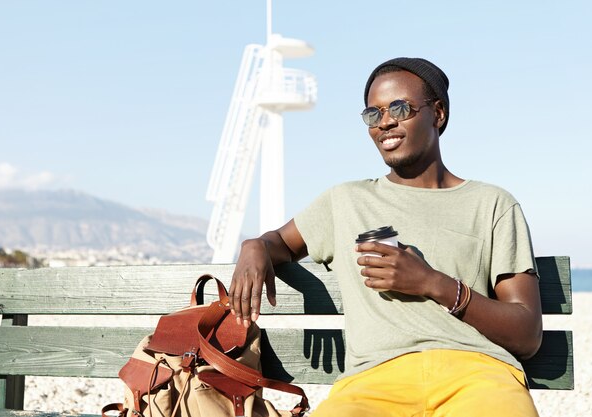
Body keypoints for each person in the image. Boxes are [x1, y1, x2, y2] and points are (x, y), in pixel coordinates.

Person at [228, 57, 542, 417]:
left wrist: (432, 283)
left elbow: (527, 335)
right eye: (373, 114)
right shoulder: (345, 200)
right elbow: (280, 242)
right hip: (372, 384)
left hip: (479, 378)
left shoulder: (492, 204)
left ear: (438, 113)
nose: (385, 122)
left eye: (399, 107)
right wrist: (254, 246)